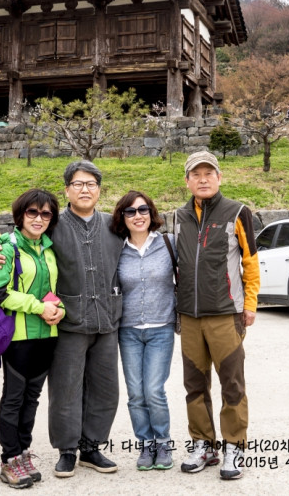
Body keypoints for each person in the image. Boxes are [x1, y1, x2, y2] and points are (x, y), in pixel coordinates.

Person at [174, 151, 260, 481]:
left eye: (209, 173)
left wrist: (250, 304)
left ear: (219, 177)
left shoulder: (237, 211)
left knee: (232, 383)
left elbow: (250, 262)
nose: (203, 179)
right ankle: (203, 444)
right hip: (190, 316)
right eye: (196, 174)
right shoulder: (179, 216)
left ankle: (235, 446)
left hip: (226, 314)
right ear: (187, 181)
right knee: (194, 385)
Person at [47, 160, 124, 477]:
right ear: (66, 190)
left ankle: (91, 448)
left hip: (107, 321)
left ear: (99, 190)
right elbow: (23, 245)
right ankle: (67, 450)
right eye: (78, 184)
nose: (84, 189)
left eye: (91, 184)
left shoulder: (113, 225)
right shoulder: (52, 225)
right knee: (65, 388)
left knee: (106, 388)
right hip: (69, 322)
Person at [0, 189, 64, 488]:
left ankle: (23, 452)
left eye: (46, 213)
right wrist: (38, 307)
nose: (39, 218)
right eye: (32, 212)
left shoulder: (50, 250)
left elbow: (55, 291)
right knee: (14, 398)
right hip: (18, 336)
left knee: (32, 398)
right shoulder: (8, 247)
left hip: (48, 334)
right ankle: (9, 459)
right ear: (20, 215)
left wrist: (59, 309)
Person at [109, 191, 176, 471]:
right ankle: (146, 445)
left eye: (143, 210)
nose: (138, 216)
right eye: (130, 211)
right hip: (129, 331)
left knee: (153, 390)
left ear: (152, 213)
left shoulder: (168, 243)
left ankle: (163, 443)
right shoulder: (117, 249)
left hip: (161, 328)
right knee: (136, 393)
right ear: (122, 217)